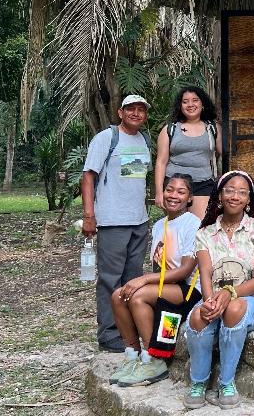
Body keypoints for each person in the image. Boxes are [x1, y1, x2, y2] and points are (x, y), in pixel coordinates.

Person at [183, 170, 254, 410]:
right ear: (219, 195)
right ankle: (199, 382)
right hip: (214, 296)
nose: (234, 196)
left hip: (253, 299)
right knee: (197, 316)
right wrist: (209, 302)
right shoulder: (205, 234)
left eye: (241, 192)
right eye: (229, 190)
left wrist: (230, 293)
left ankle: (226, 383)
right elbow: (205, 273)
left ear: (249, 199)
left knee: (234, 308)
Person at [108, 173, 202, 386]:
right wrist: (147, 281)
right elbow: (159, 265)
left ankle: (155, 359)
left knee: (137, 296)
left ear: (189, 198)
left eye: (181, 191)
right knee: (118, 295)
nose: (173, 195)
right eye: (169, 189)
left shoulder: (193, 224)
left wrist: (143, 280)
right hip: (166, 284)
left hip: (188, 289)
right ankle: (133, 356)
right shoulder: (160, 225)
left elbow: (185, 269)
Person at [81, 94, 153, 352]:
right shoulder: (106, 138)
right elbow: (88, 177)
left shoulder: (145, 140)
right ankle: (109, 334)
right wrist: (90, 215)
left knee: (133, 279)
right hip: (112, 221)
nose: (136, 114)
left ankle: (129, 332)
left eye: (141, 110)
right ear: (120, 112)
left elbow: (136, 178)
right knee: (110, 280)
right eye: (130, 109)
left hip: (139, 220)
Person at [154, 86, 221, 222]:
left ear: (202, 104)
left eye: (195, 100)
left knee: (200, 228)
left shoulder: (213, 128)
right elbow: (161, 162)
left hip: (203, 183)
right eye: (185, 101)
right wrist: (159, 193)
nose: (190, 104)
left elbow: (226, 154)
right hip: (175, 185)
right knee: (176, 228)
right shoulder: (170, 129)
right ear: (180, 106)